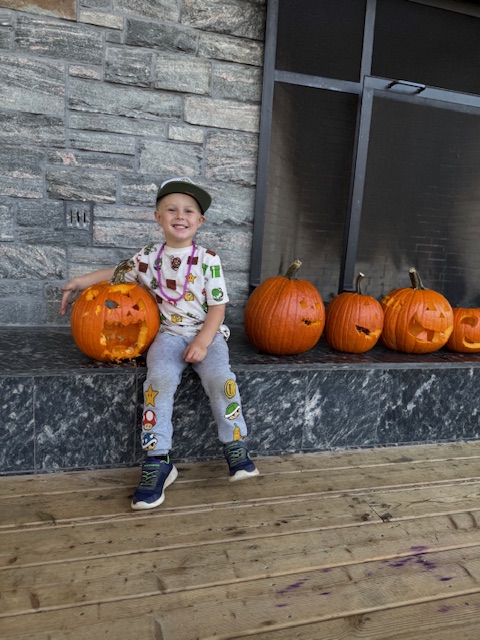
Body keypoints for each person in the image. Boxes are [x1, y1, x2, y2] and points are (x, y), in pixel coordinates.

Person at [60, 177, 259, 510]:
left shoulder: (209, 259)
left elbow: (219, 307)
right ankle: (158, 460)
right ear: (157, 217)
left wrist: (203, 341)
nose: (179, 216)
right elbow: (118, 274)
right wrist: (80, 280)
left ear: (200, 221)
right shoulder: (149, 256)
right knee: (159, 382)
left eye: (188, 211)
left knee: (220, 379)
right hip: (167, 335)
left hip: (206, 334)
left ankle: (235, 445)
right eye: (171, 209)